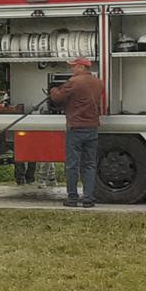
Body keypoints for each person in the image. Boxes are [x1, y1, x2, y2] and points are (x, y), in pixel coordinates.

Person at [47, 57, 106, 208]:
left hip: (76, 128)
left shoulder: (74, 82)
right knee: (89, 164)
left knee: (72, 164)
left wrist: (53, 88)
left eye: (73, 66)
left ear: (81, 67)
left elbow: (57, 98)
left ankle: (72, 198)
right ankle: (88, 199)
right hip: (92, 128)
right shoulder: (99, 83)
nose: (71, 69)